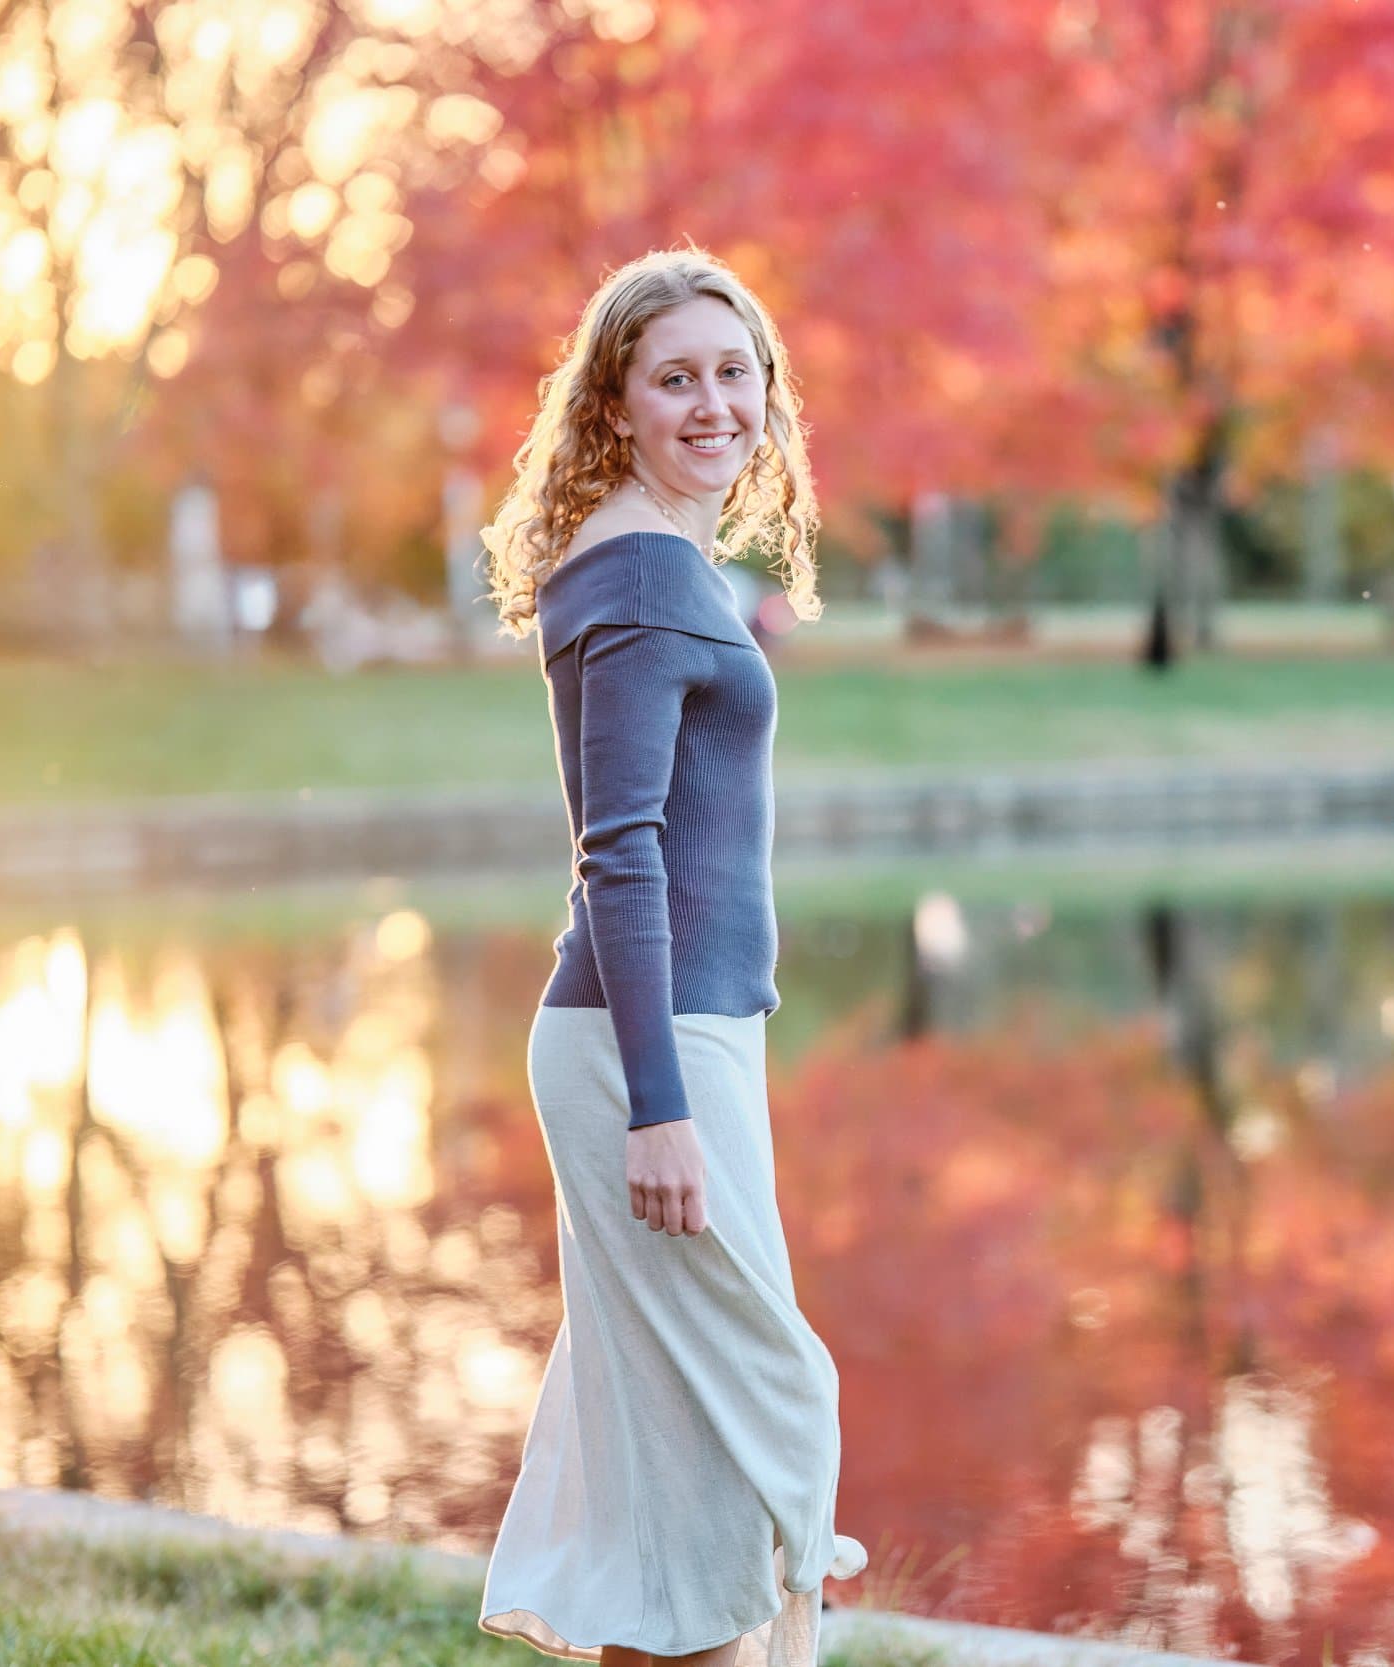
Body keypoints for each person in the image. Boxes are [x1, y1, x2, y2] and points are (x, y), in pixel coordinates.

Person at [474, 245, 867, 1667]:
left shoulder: (665, 558)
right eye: (675, 377)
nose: (714, 403)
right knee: (741, 1439)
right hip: (650, 1051)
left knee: (676, 1471)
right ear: (617, 403)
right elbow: (618, 854)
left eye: (734, 371)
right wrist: (659, 1106)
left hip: (689, 1034)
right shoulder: (639, 572)